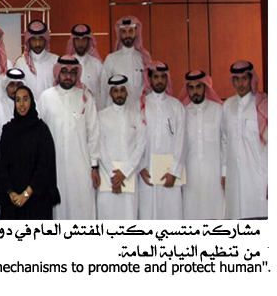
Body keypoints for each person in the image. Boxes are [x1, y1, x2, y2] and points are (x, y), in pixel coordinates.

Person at [38, 56, 100, 220]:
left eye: (73, 73)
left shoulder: (86, 97)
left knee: (82, 208)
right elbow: (38, 134)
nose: (68, 76)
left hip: (80, 167)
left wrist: (94, 166)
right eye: (64, 72)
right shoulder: (46, 97)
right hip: (53, 167)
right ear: (58, 73)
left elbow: (93, 133)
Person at [0, 86, 60, 220]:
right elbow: (2, 165)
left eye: (25, 99)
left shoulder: (41, 131)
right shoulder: (8, 131)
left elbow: (45, 167)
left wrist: (26, 194)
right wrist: (11, 193)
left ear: (31, 101)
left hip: (36, 200)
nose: (21, 104)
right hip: (12, 202)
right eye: (18, 100)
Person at [138, 62, 186, 220]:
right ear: (149, 79)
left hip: (170, 174)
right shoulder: (141, 104)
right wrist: (140, 167)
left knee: (171, 215)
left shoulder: (176, 106)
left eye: (162, 77)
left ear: (167, 79)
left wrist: (174, 171)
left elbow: (181, 141)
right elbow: (135, 139)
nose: (159, 81)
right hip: (146, 172)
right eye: (156, 77)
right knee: (147, 215)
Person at [96, 75, 146, 220]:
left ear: (127, 92)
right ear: (110, 93)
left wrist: (124, 172)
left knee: (129, 217)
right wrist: (113, 176)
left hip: (129, 177)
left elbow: (141, 145)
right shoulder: (101, 116)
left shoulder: (136, 116)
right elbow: (100, 146)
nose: (119, 94)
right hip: (107, 179)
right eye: (115, 91)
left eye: (122, 90)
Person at [222, 61, 267, 219]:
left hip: (258, 175)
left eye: (244, 79)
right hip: (234, 176)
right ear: (233, 81)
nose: (241, 83)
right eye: (237, 79)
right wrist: (224, 172)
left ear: (251, 79)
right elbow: (225, 141)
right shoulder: (227, 106)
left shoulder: (263, 105)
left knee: (257, 217)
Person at [180, 70, 224, 220]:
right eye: (191, 88)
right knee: (191, 216)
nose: (195, 92)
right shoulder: (182, 113)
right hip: (190, 176)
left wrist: (224, 172)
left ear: (205, 87)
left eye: (199, 87)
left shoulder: (218, 110)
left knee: (216, 215)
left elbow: (225, 144)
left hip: (214, 176)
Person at [101, 16, 151, 106]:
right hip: (117, 111)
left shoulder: (143, 59)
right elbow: (104, 88)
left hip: (138, 110)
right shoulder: (111, 59)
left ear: (136, 32)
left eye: (130, 31)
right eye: (124, 32)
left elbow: (148, 89)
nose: (127, 35)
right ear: (120, 34)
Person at [13, 20, 57, 100]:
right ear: (28, 41)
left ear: (45, 40)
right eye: (34, 40)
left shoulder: (55, 61)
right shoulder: (21, 63)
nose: (37, 44)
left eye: (41, 39)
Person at [0, 68, 26, 154]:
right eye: (12, 85)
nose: (15, 89)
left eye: (19, 85)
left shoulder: (31, 105)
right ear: (6, 86)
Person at [66, 24, 104, 106]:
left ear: (89, 41)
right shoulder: (66, 65)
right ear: (73, 42)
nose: (80, 43)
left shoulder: (97, 64)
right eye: (77, 40)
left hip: (94, 109)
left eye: (84, 40)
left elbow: (103, 90)